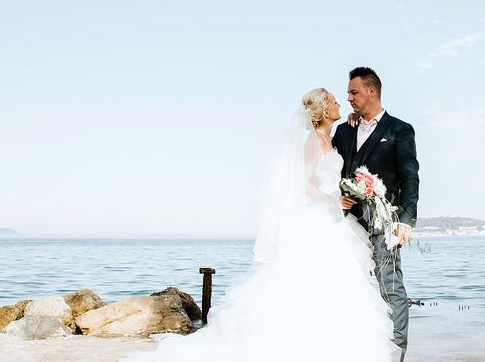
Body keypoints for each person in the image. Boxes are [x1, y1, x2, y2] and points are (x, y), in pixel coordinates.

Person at [122, 88, 399, 362]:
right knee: (312, 284)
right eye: (336, 101)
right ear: (325, 110)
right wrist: (332, 200)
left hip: (336, 220)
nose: (342, 103)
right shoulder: (313, 140)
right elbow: (304, 184)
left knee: (338, 288)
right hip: (321, 218)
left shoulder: (330, 138)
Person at [333, 66, 420, 362]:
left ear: (372, 91)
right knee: (350, 288)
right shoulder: (344, 130)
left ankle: (395, 356)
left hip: (386, 224)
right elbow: (333, 170)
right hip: (346, 226)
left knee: (391, 289)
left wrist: (406, 221)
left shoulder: (399, 130)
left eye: (353, 92)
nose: (349, 98)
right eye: (347, 93)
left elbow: (410, 177)